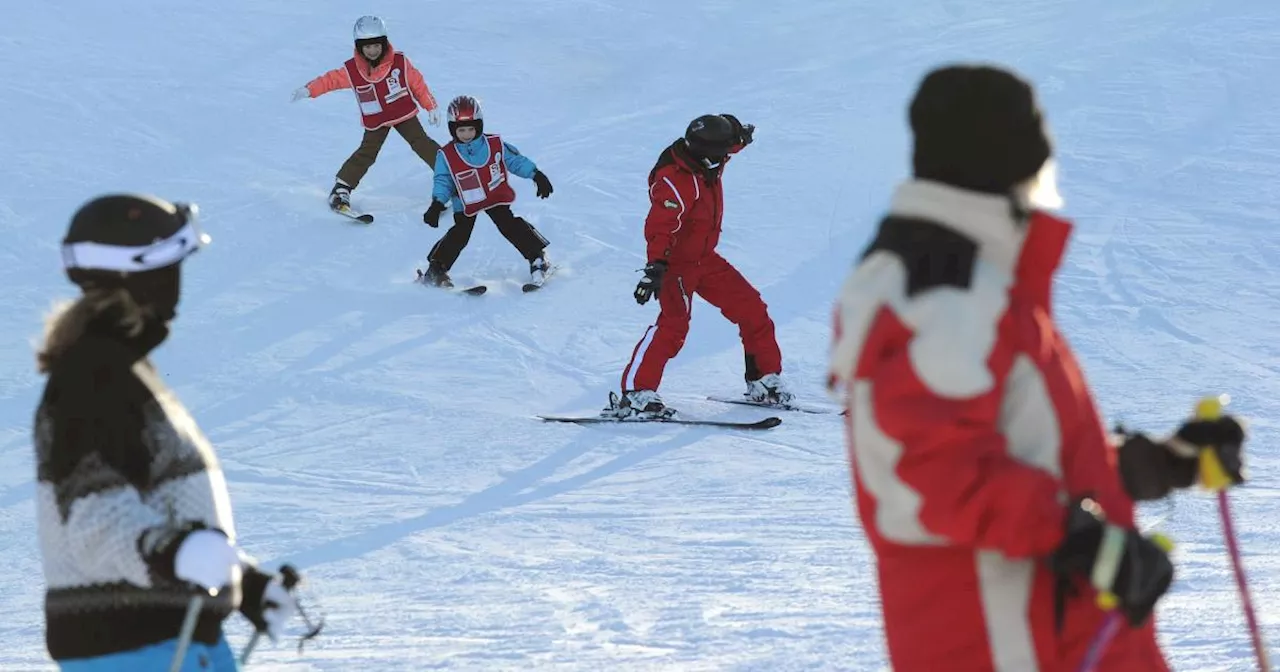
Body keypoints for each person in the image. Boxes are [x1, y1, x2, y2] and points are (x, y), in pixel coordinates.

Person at [826, 63, 1249, 671]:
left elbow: (1023, 447)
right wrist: (1087, 543)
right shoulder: (936, 292)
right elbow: (932, 472)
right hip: (1003, 636)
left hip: (1062, 623)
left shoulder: (979, 280)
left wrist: (1156, 463)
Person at [34, 194, 301, 671]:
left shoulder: (123, 372)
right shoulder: (93, 378)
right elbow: (96, 523)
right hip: (134, 650)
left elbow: (164, 517)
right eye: (170, 268)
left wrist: (243, 585)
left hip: (172, 641)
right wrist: (178, 555)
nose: (177, 283)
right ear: (136, 275)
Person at [606, 114, 791, 419]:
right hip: (675, 265)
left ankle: (763, 380)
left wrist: (740, 134)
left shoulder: (708, 160)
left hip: (705, 259)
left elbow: (729, 144)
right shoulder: (675, 180)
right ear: (705, 152)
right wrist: (655, 267)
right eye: (721, 152)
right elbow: (661, 226)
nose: (725, 158)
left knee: (752, 309)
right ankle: (637, 394)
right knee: (673, 326)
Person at [292, 16, 443, 212]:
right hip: (377, 120)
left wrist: (430, 106)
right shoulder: (353, 70)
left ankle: (451, 175)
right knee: (367, 152)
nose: (372, 51)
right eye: (367, 47)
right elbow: (331, 80)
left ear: (384, 44)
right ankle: (342, 188)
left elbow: (417, 84)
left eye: (376, 46)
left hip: (402, 112)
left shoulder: (399, 63)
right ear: (359, 47)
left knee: (421, 143)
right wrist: (310, 89)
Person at [419, 95, 554, 288]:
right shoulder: (447, 155)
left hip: (494, 196)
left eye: (471, 129)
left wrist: (536, 174)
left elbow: (515, 161)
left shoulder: (494, 145)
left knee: (509, 225)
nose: (466, 134)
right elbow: (443, 180)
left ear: (479, 127)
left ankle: (538, 259)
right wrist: (437, 203)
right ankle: (436, 269)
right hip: (465, 202)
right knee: (460, 234)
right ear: (452, 129)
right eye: (461, 130)